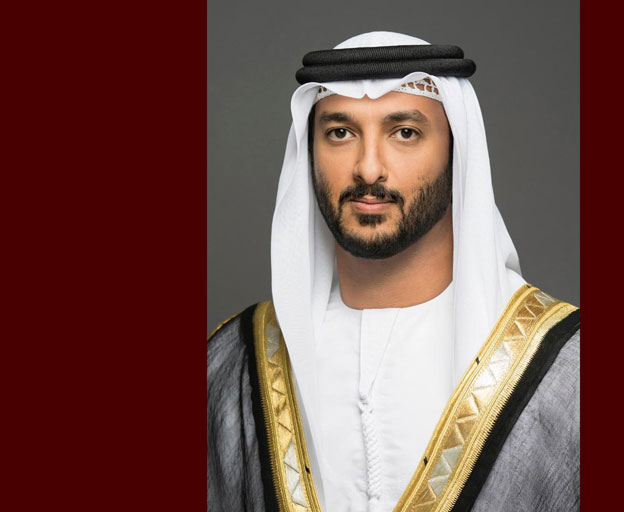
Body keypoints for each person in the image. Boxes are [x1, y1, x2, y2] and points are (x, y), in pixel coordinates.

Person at [208, 31, 579, 512]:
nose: (368, 169)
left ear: (456, 151)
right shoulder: (231, 365)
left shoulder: (567, 371)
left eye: (405, 132)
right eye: (340, 133)